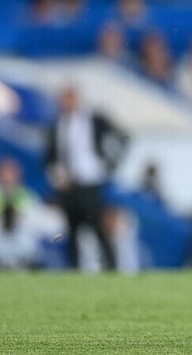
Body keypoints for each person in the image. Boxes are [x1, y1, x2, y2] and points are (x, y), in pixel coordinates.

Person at [45, 86, 127, 270]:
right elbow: (50, 156)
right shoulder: (57, 124)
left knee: (98, 227)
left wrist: (110, 164)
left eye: (71, 98)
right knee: (72, 230)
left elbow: (122, 136)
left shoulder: (94, 119)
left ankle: (111, 267)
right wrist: (56, 175)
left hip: (90, 183)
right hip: (68, 186)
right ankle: (75, 269)